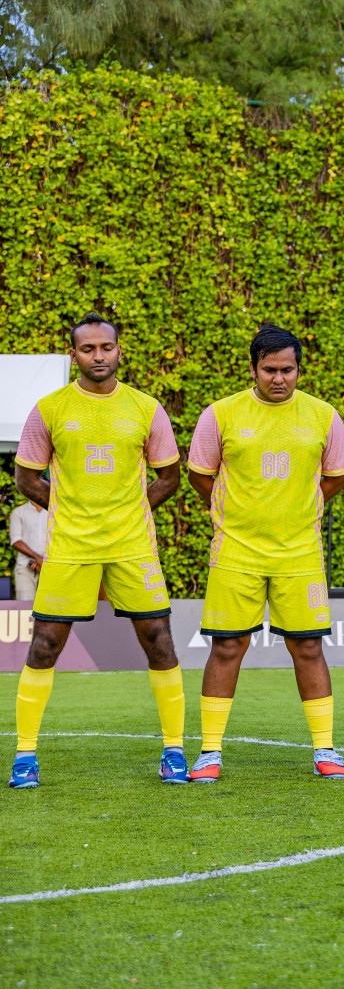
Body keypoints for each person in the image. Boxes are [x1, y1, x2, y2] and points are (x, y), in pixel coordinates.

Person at [9, 313, 185, 790]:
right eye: (88, 349)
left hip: (132, 546)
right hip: (70, 547)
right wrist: (72, 511)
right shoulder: (49, 408)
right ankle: (25, 756)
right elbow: (26, 477)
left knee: (160, 641)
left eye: (106, 347)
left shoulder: (147, 408)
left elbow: (169, 475)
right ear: (75, 355)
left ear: (118, 350)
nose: (98, 356)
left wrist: (129, 511)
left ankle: (174, 752)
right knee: (44, 645)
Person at [185, 323, 344, 782]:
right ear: (253, 369)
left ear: (299, 369)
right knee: (227, 646)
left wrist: (299, 509)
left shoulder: (323, 416)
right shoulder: (220, 414)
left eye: (288, 370)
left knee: (309, 647)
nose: (279, 379)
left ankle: (325, 750)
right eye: (270, 370)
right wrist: (234, 513)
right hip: (235, 551)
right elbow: (202, 475)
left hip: (299, 553)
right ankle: (210, 753)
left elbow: (334, 477)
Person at [9, 499, 47, 601]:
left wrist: (45, 561)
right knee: (25, 607)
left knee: (50, 608)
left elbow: (60, 540)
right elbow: (16, 541)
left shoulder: (54, 512)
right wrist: (38, 558)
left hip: (50, 568)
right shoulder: (19, 512)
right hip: (25, 568)